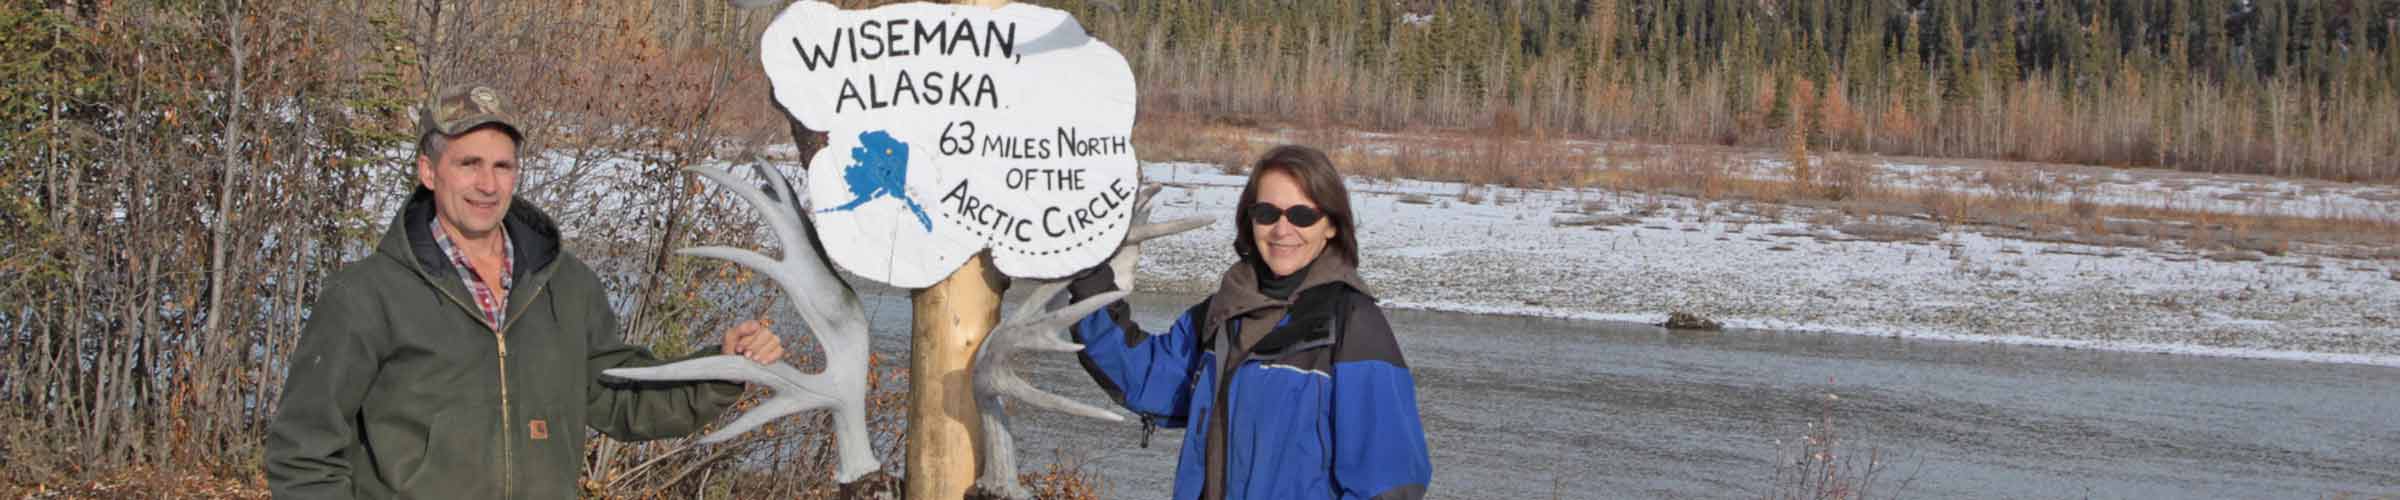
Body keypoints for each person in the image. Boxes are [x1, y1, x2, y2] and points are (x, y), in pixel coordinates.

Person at [264, 84, 786, 499]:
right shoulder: (365, 296)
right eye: (468, 164)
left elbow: (622, 397)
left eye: (502, 165)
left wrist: (721, 367)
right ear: (429, 170)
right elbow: (304, 452)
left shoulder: (565, 284)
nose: (487, 185)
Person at [1067, 145, 1433, 499]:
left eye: (1302, 215)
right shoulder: (1222, 314)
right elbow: (1146, 377)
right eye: (1267, 213)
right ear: (1249, 219)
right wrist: (1090, 284)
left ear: (1332, 225)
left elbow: (1389, 484)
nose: (1282, 229)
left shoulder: (1353, 325)